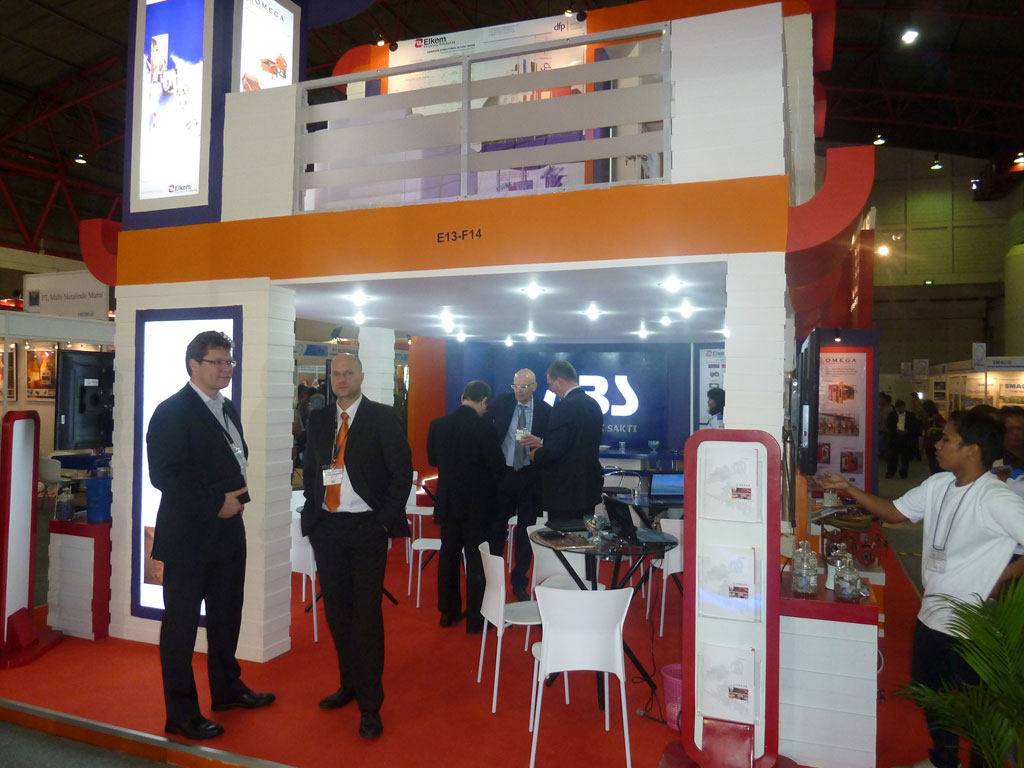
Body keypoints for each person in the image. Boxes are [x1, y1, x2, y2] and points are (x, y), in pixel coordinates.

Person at [818, 409, 1024, 768]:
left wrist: (1003, 577)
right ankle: (944, 759)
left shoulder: (997, 498)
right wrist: (849, 489)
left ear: (972, 449)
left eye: (946, 439)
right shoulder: (939, 485)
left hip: (973, 625)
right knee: (931, 694)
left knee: (979, 710)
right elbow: (894, 513)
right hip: (932, 614)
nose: (937, 445)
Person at [147, 331, 275, 741]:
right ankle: (181, 713)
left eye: (229, 362)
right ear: (193, 365)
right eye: (217, 362)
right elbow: (164, 475)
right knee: (181, 626)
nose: (226, 369)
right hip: (188, 536)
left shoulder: (226, 407)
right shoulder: (171, 411)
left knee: (226, 615)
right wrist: (215, 502)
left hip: (227, 532)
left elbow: (230, 458)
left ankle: (227, 689)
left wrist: (233, 499)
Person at [301, 353, 413, 740]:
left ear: (361, 376)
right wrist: (313, 514)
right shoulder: (319, 419)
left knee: (365, 619)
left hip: (366, 528)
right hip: (327, 528)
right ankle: (348, 683)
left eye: (348, 373)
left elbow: (401, 474)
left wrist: (382, 521)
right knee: (337, 614)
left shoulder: (382, 418)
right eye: (336, 373)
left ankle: (370, 705)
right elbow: (312, 470)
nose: (341, 379)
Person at [427, 380, 505, 632]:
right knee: (476, 560)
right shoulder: (484, 427)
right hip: (477, 505)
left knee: (448, 556)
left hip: (448, 501)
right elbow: (497, 465)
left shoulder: (438, 425)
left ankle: (447, 612)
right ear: (484, 401)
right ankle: (476, 619)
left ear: (462, 397)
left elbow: (432, 459)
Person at [486, 368, 552, 602]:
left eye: (524, 387)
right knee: (496, 528)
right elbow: (485, 429)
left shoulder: (545, 410)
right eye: (515, 386)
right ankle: (492, 580)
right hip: (503, 474)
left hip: (529, 476)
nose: (519, 391)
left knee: (525, 532)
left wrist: (541, 442)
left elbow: (554, 442)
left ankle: (519, 581)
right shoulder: (501, 403)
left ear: (534, 387)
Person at [520, 360, 603, 522]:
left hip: (564, 491)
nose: (551, 389)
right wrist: (543, 441)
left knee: (562, 535)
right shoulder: (593, 405)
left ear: (559, 381)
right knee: (583, 534)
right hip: (588, 488)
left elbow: (555, 451)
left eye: (551, 384)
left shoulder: (562, 407)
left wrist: (536, 454)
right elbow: (575, 442)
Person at [886, 399, 919, 479]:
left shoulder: (910, 415)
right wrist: (895, 430)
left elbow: (914, 425)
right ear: (896, 408)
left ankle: (903, 473)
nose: (900, 409)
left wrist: (907, 430)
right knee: (893, 457)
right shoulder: (892, 415)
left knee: (905, 457)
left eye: (902, 408)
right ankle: (890, 472)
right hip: (895, 438)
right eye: (899, 408)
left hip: (906, 438)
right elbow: (889, 424)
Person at [920, 400, 946, 475]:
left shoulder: (937, 417)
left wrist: (933, 428)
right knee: (931, 463)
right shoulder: (926, 417)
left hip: (935, 441)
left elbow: (945, 427)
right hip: (928, 442)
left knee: (937, 463)